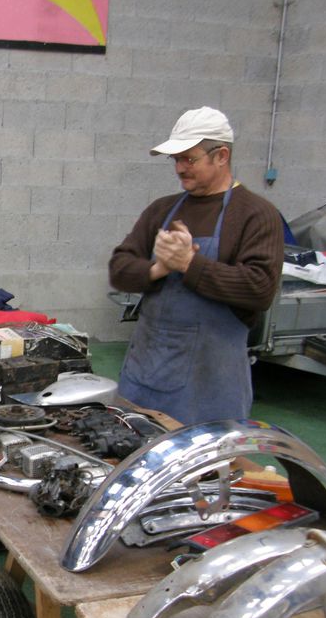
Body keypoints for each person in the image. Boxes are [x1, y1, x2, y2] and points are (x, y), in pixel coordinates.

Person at [108, 106, 284, 425]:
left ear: (222, 156)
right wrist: (158, 269)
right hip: (145, 376)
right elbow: (119, 269)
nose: (179, 168)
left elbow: (259, 289)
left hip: (211, 386)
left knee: (208, 472)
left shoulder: (256, 214)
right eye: (175, 160)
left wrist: (190, 264)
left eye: (189, 158)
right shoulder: (160, 211)